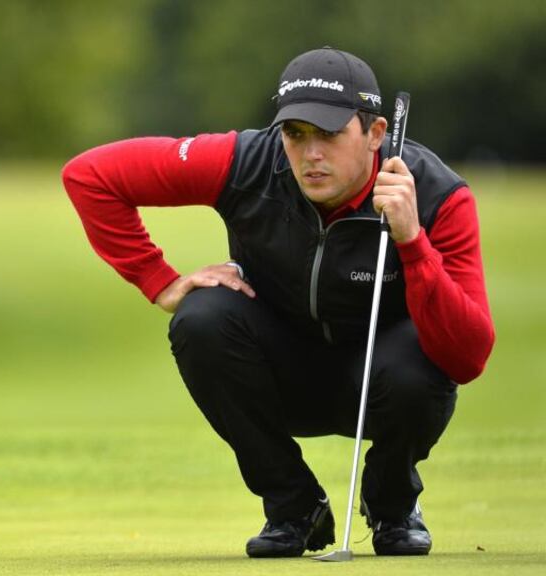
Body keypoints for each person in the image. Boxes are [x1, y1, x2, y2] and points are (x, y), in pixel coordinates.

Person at [61, 47, 494, 558]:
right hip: (280, 373)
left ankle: (393, 505)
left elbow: (468, 357)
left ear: (376, 134)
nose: (311, 154)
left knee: (417, 364)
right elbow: (90, 176)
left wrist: (413, 241)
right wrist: (160, 281)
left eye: (329, 135)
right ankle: (294, 507)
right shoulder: (247, 162)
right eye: (295, 134)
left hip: (382, 384)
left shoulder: (439, 195)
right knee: (201, 319)